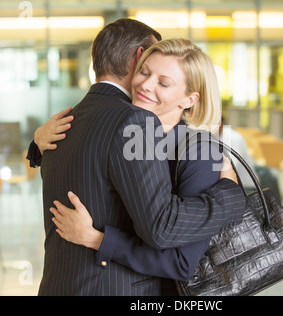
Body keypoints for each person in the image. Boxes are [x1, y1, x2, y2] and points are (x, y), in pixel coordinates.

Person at [33, 19, 245, 296]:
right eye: (144, 71)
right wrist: (36, 143)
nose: (145, 85)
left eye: (164, 82)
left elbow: (180, 261)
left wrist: (97, 239)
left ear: (189, 99)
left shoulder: (198, 152)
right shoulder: (121, 127)